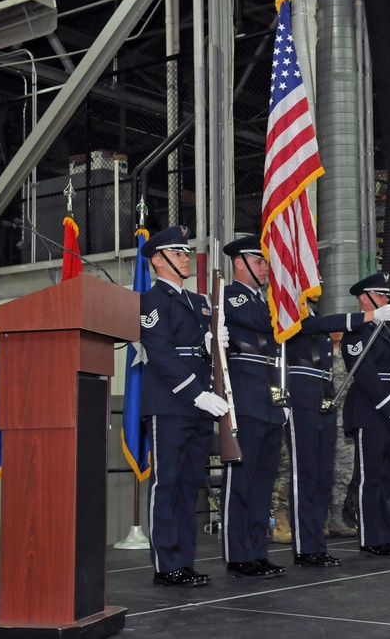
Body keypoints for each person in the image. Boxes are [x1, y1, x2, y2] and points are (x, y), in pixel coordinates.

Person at [138, 225, 229, 587]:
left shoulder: (199, 301)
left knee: (190, 484)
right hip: (171, 402)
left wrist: (212, 344)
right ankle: (165, 564)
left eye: (186, 252)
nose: (185, 258)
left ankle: (184, 560)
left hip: (199, 404)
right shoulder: (151, 300)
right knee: (167, 482)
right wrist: (196, 392)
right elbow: (160, 355)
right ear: (158, 260)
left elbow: (199, 351)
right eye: (177, 253)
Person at [284, 295, 390, 566]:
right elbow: (315, 325)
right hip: (301, 393)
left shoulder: (312, 311)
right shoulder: (286, 307)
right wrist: (367, 317)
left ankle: (315, 543)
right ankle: (305, 547)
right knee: (306, 474)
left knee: (323, 475)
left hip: (324, 394)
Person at [219, 234, 288, 578]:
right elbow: (269, 325)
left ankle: (256, 550)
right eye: (259, 261)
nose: (265, 268)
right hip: (245, 400)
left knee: (264, 483)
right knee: (241, 482)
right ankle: (237, 554)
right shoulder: (231, 297)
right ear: (239, 263)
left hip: (270, 401)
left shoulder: (263, 301)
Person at [341, 271, 390, 558]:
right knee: (369, 478)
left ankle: (384, 536)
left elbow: (389, 367)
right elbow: (365, 375)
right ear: (364, 298)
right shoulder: (356, 331)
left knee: (386, 480)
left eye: (386, 294)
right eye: (380, 294)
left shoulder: (387, 331)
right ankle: (370, 538)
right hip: (371, 412)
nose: (386, 298)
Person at [327, 332, 358, 538]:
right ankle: (318, 519)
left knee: (344, 474)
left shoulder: (352, 352)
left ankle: (336, 519)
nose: (338, 330)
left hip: (346, 421)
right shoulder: (320, 353)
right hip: (324, 419)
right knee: (321, 472)